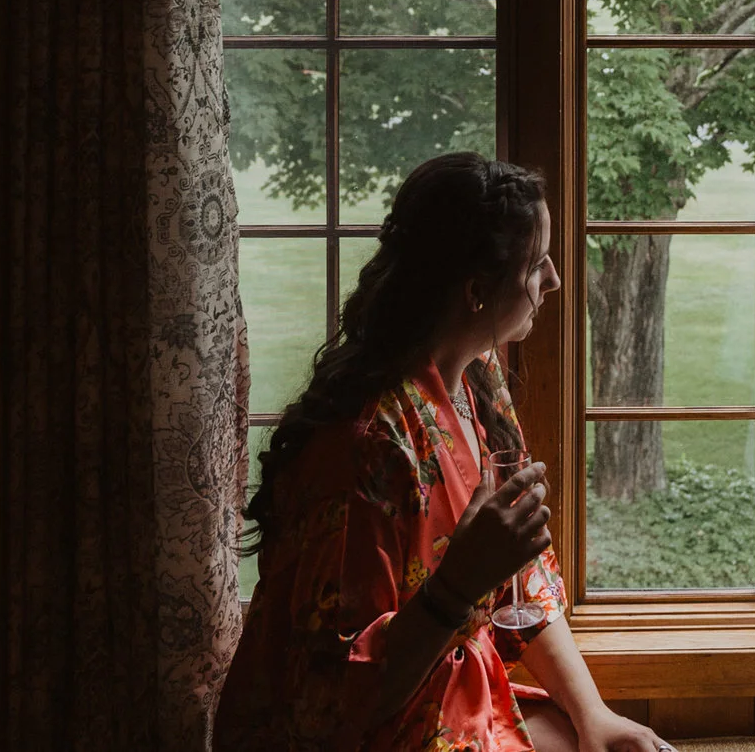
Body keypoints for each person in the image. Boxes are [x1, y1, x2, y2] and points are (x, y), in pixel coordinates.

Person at [215, 153, 668, 752]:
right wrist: (458, 584)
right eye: (536, 265)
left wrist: (595, 716)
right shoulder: (368, 447)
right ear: (478, 291)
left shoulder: (479, 380)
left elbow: (523, 580)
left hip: (447, 691)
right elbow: (330, 705)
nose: (554, 280)